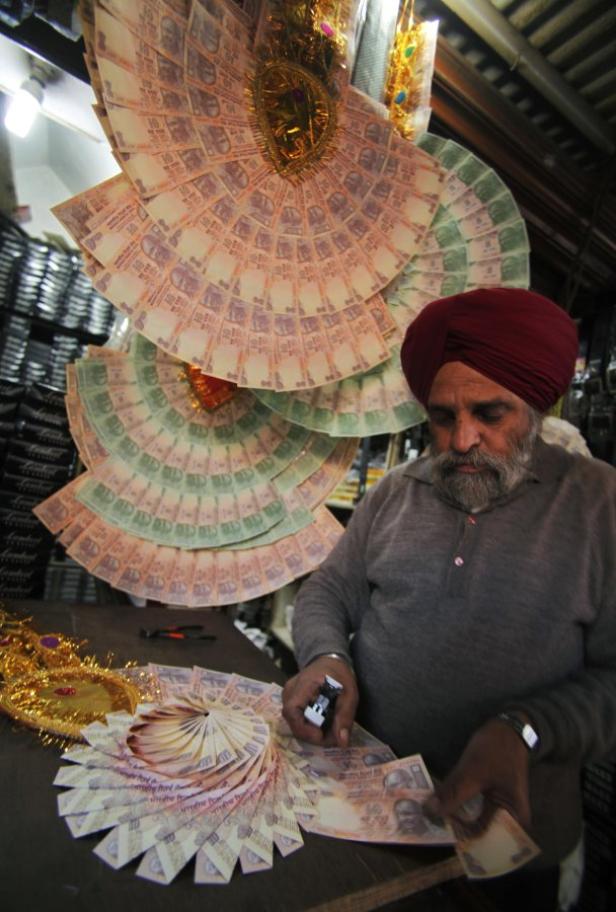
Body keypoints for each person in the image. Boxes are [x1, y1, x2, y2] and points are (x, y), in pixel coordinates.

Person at [282, 287, 616, 912]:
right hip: (370, 815)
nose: (462, 440)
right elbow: (329, 589)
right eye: (442, 417)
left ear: (536, 407)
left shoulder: (599, 507)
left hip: (508, 849)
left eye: (491, 414)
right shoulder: (395, 495)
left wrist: (526, 730)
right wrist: (327, 657)